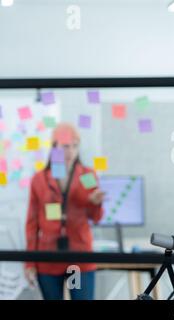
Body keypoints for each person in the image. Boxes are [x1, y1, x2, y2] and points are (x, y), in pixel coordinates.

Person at [24, 122, 105, 300]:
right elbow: (32, 224)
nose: (70, 151)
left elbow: (97, 217)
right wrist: (29, 261)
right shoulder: (39, 180)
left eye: (75, 146)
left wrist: (94, 203)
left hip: (80, 258)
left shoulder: (87, 175)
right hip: (48, 259)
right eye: (65, 146)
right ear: (54, 148)